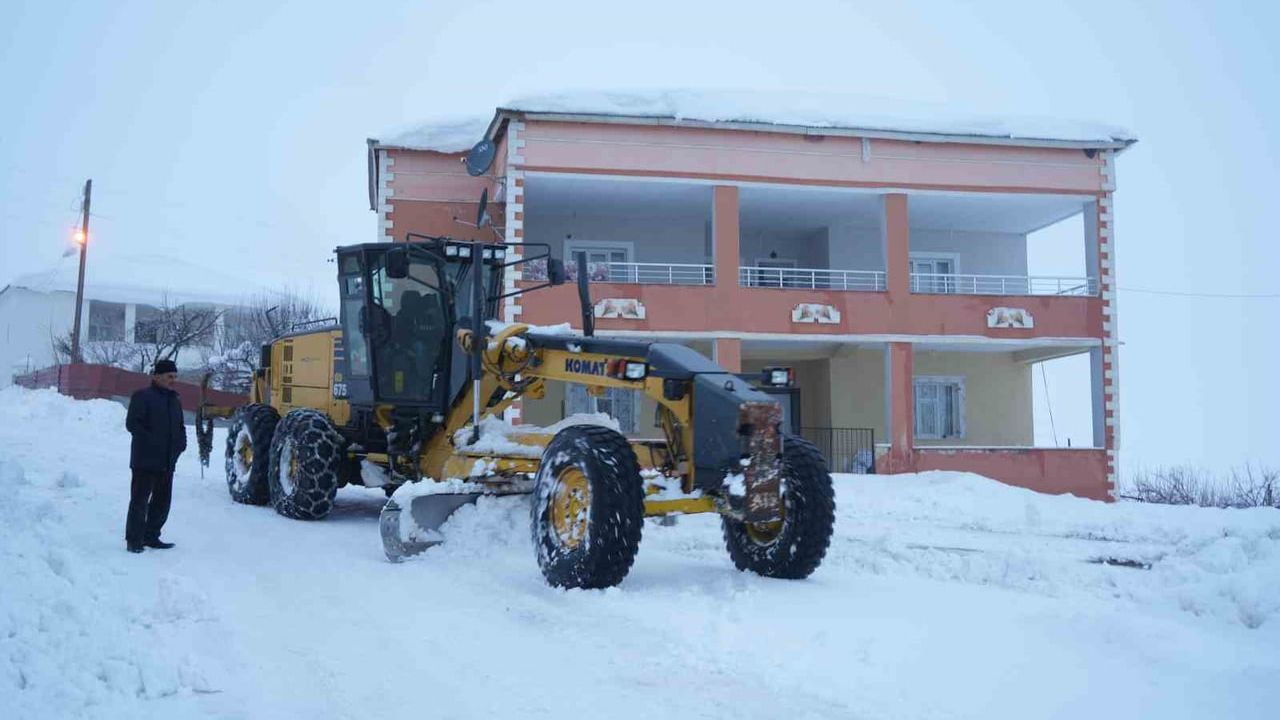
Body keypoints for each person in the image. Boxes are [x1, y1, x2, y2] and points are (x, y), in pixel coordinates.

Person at [124, 359, 187, 553]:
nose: (173, 380)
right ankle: (134, 541)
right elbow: (133, 425)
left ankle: (151, 536)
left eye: (175, 376)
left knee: (161, 503)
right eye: (169, 376)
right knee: (139, 502)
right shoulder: (142, 397)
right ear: (157, 376)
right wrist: (152, 443)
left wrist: (181, 445)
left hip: (167, 462)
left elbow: (180, 427)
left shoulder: (174, 400)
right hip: (145, 461)